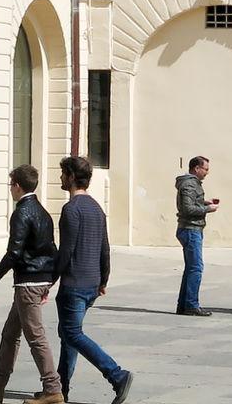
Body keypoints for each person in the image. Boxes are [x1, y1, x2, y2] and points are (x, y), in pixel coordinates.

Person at [0, 163, 62, 404]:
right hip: (38, 280)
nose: (10, 189)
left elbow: (14, 253)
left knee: (35, 336)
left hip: (28, 284)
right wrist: (50, 281)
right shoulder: (42, 211)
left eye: (11, 185)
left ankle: (52, 388)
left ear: (17, 186)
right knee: (10, 333)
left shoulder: (22, 212)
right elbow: (52, 249)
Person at [53, 156, 132, 404]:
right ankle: (60, 388)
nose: (60, 178)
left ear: (72, 177)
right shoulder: (97, 208)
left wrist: (50, 279)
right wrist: (103, 279)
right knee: (67, 333)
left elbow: (66, 251)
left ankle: (117, 375)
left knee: (73, 334)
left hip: (74, 283)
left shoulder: (71, 209)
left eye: (63, 173)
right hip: (91, 282)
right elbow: (105, 248)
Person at [172, 154, 219, 316]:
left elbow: (191, 204)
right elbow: (187, 209)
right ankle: (191, 304)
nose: (207, 172)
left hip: (192, 229)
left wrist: (203, 202)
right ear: (196, 168)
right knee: (196, 268)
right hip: (191, 229)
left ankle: (184, 304)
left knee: (191, 268)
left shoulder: (191, 184)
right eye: (205, 169)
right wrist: (207, 209)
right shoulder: (189, 184)